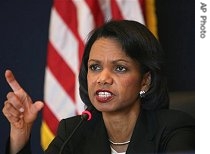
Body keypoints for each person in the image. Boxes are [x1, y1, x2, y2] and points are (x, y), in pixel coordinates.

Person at [2, 20, 194, 154]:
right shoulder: (74, 131)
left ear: (145, 80)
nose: (102, 78)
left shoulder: (173, 129)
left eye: (120, 68)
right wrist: (20, 135)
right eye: (95, 67)